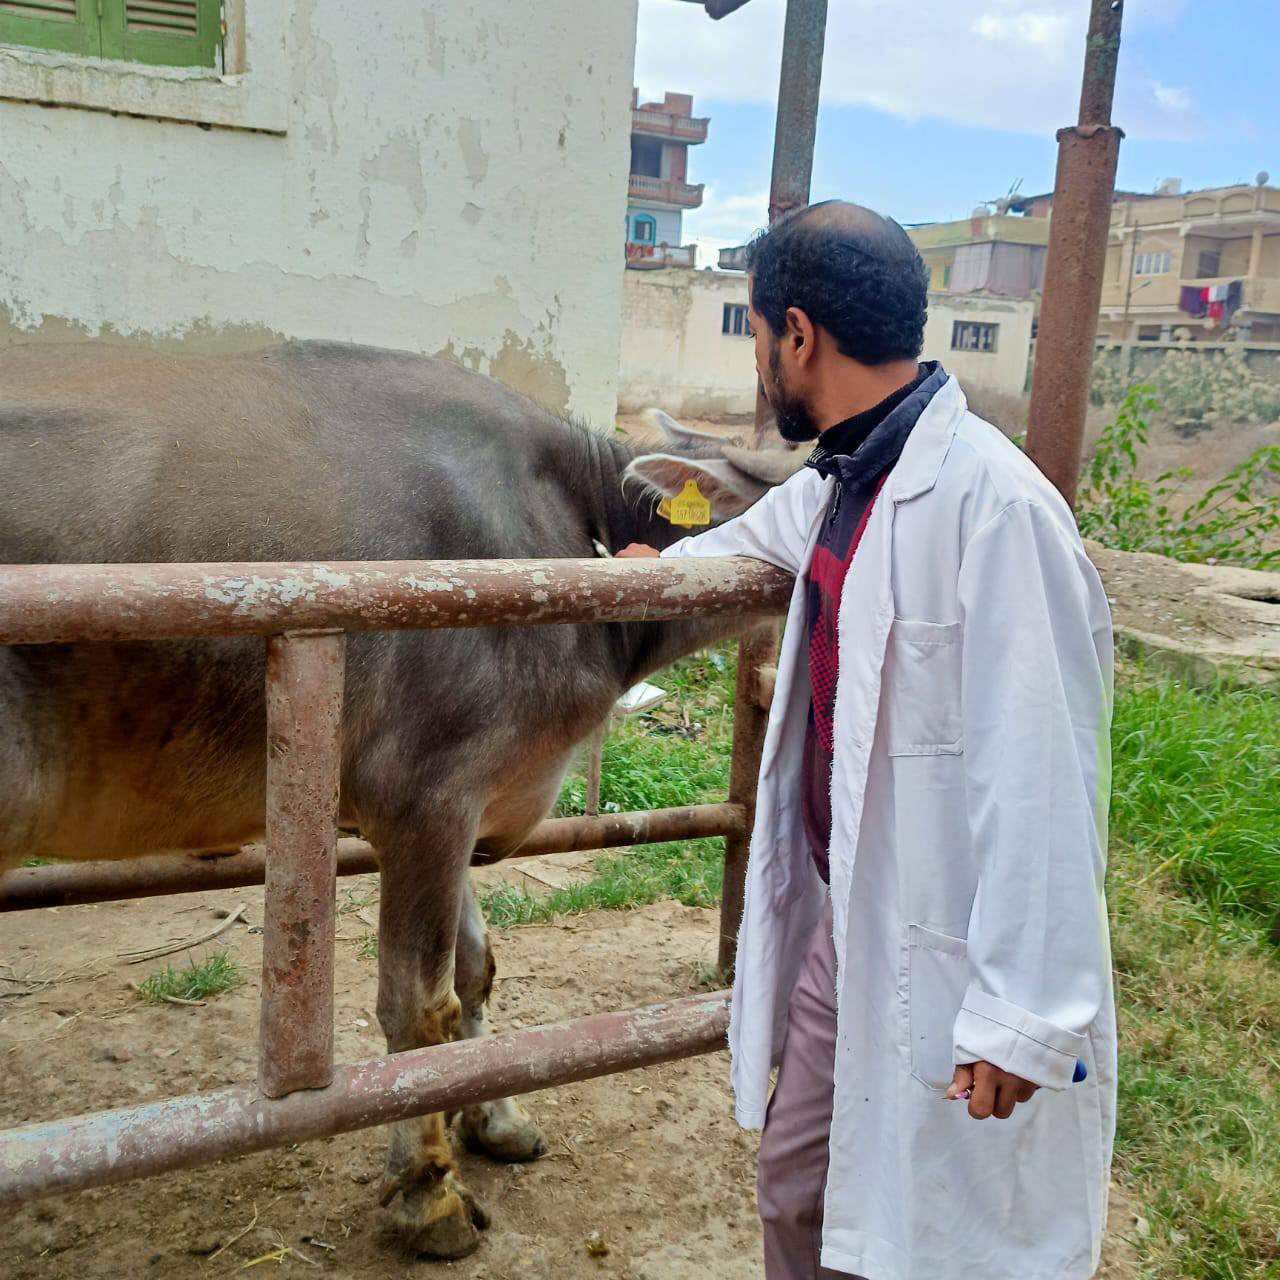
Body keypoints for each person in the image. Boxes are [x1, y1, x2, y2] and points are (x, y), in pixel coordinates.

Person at [619, 202, 1116, 1280]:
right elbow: (737, 542)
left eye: (755, 338)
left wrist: (1021, 1012)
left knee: (924, 1234)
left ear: (796, 334)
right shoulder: (845, 480)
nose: (760, 366)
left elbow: (1042, 773)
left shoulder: (992, 506)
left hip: (951, 931)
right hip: (854, 912)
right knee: (801, 1183)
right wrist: (635, 572)